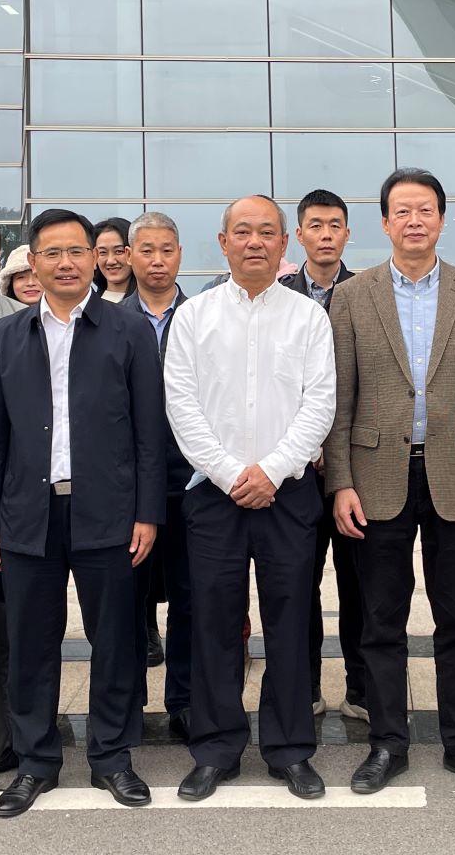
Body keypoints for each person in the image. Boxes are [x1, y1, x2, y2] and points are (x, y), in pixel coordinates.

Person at [326, 170, 455, 796]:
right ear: (384, 222)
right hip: (376, 475)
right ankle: (387, 742)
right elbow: (339, 399)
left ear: (441, 219)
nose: (414, 220)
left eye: (425, 210)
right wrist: (340, 481)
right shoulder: (352, 297)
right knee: (381, 619)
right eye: (402, 211)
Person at [0, 209, 164, 815]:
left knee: (116, 640)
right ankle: (36, 761)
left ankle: (112, 757)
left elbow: (149, 432)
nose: (65, 263)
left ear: (96, 258)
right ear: (32, 262)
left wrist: (147, 512)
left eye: (76, 251)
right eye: (51, 253)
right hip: (27, 513)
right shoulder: (6, 336)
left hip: (109, 510)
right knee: (32, 642)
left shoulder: (128, 329)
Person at [164, 195, 337, 802]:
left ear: (284, 243)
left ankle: (290, 749)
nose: (255, 242)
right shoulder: (195, 316)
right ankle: (215, 748)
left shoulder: (308, 317)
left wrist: (273, 471)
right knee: (214, 622)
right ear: (224, 242)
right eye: (243, 232)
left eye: (267, 232)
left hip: (288, 493)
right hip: (215, 495)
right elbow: (181, 405)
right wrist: (231, 473)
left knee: (290, 621)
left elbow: (320, 403)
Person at [278, 188, 365, 719]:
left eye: (335, 225)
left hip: (354, 468)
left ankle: (361, 689)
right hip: (295, 469)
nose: (326, 234)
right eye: (316, 225)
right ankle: (305, 686)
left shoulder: (371, 292)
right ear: (300, 234)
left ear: (347, 234)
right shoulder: (279, 294)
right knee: (298, 583)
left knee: (359, 583)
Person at [121, 211, 195, 738]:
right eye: (146, 250)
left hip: (192, 481)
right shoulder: (106, 320)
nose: (157, 260)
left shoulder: (203, 315)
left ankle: (185, 702)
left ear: (180, 255)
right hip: (126, 487)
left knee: (191, 598)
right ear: (128, 256)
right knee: (127, 600)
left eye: (166, 250)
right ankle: (127, 704)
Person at [92, 217, 134, 304]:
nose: (110, 261)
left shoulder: (146, 305)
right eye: (103, 252)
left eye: (119, 251)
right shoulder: (86, 305)